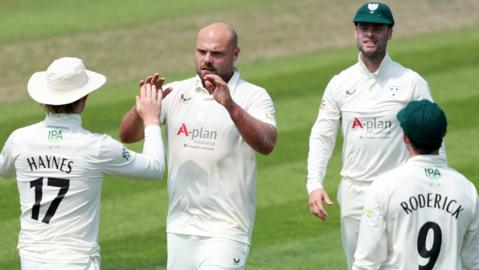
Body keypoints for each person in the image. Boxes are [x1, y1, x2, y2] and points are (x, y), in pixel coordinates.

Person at [119, 22, 277, 269]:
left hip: (227, 229)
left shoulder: (253, 96)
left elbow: (267, 144)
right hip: (180, 227)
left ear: (236, 55)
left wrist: (230, 106)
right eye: (201, 51)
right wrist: (143, 105)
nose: (207, 60)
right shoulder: (176, 92)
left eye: (216, 53)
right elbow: (127, 135)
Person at [306, 2, 446, 269]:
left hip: (403, 191)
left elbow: (434, 135)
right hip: (355, 193)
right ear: (356, 32)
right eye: (364, 28)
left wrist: (438, 184)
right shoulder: (340, 83)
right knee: (360, 265)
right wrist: (314, 183)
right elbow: (322, 136)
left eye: (377, 28)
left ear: (390, 33)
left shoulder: (411, 82)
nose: (370, 34)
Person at [0, 57, 166, 270]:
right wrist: (151, 120)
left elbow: (4, 170)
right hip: (75, 261)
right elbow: (155, 169)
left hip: (31, 260)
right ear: (84, 98)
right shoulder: (97, 146)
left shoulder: (19, 139)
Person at [353, 100, 479, 270]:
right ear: (444, 135)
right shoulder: (467, 190)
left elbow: (366, 263)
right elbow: (474, 262)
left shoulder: (384, 186)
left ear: (405, 137)